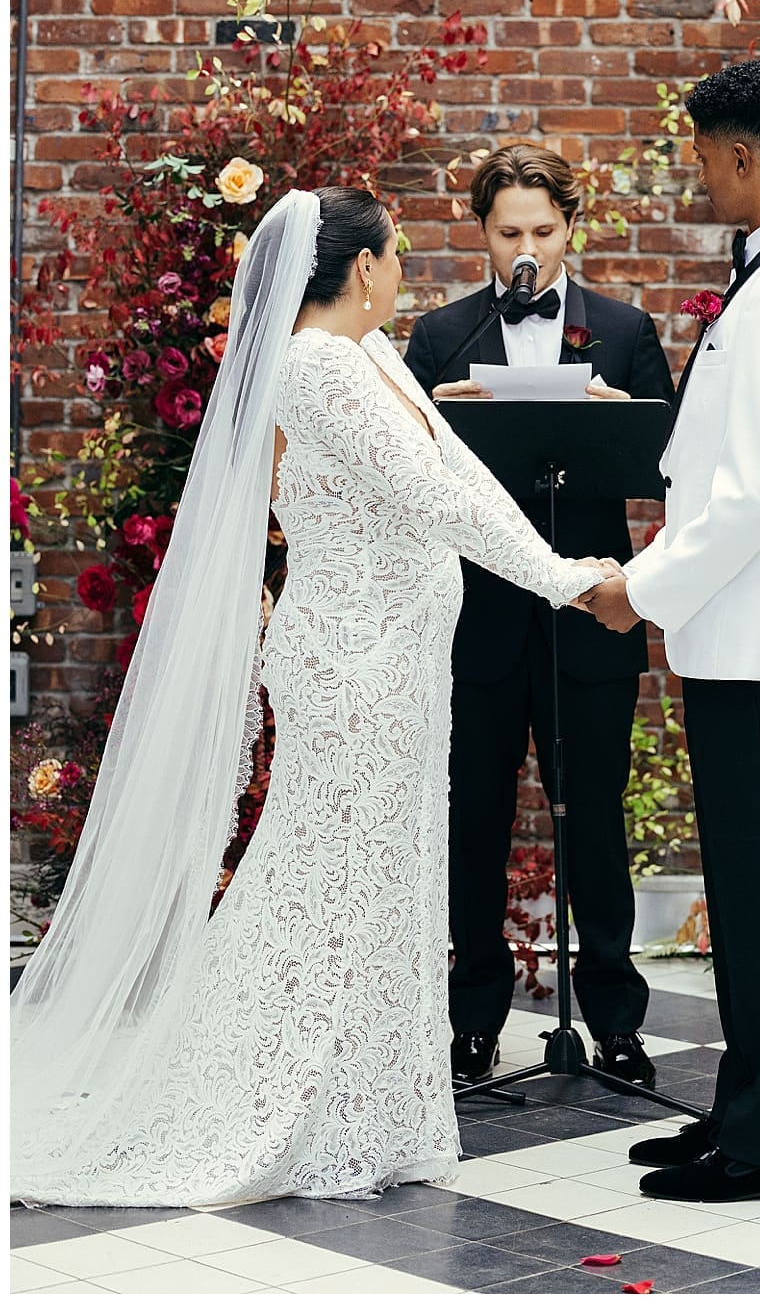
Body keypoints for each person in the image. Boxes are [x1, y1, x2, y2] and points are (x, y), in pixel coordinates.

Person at [11, 187, 614, 1207]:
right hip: (351, 663)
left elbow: (457, 471)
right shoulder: (317, 366)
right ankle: (275, 1097)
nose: (402, 272)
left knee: (385, 884)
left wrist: (563, 561)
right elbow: (432, 498)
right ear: (364, 268)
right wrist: (569, 577)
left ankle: (375, 1109)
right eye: (394, 256)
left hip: (397, 664)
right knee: (328, 879)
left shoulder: (373, 358)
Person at [581, 60, 760, 1204]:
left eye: (701, 159)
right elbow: (720, 459)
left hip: (755, 637)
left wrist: (638, 586)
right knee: (742, 890)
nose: (698, 178)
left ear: (742, 157)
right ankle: (743, 1107)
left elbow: (746, 494)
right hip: (734, 635)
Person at [403, 145, 673, 1090]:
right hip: (476, 621)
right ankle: (472, 1020)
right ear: (481, 232)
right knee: (474, 821)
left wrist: (615, 411)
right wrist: (437, 410)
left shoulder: (626, 329)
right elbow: (401, 476)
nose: (527, 248)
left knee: (595, 822)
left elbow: (668, 463)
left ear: (572, 230)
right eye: (509, 231)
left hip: (588, 616)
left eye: (543, 231)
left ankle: (615, 1022)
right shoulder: (437, 336)